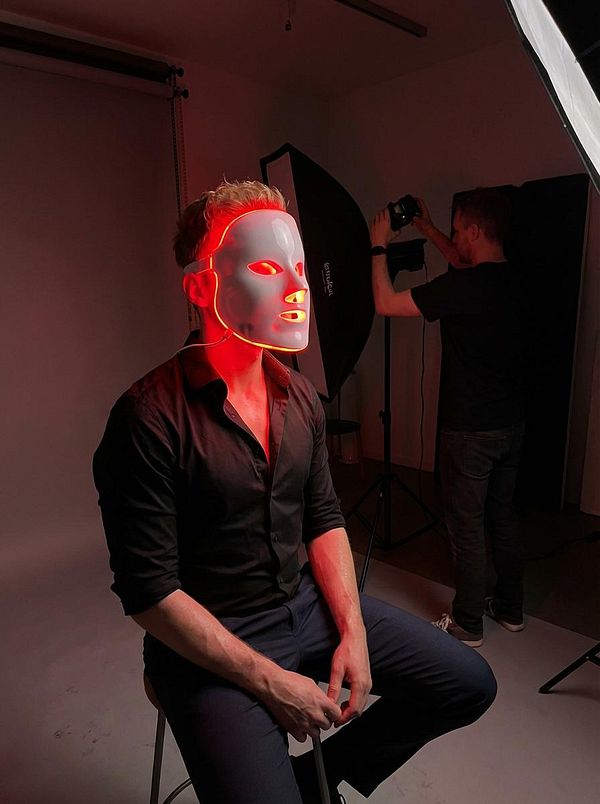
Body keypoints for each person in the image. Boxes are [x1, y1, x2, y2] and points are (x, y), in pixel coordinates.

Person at [94, 179, 497, 803]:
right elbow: (150, 593)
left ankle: (318, 779)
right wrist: (271, 682)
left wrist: (353, 631)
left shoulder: (300, 394)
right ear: (203, 287)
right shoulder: (146, 420)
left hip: (305, 610)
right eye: (263, 265)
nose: (296, 289)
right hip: (209, 644)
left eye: (301, 268)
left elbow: (323, 517)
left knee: (468, 682)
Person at [371, 188, 529, 648]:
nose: (455, 237)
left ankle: (468, 622)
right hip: (511, 425)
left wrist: (379, 243)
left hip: (470, 432)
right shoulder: (515, 278)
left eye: (459, 229)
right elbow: (463, 262)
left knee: (466, 525)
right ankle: (510, 608)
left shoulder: (459, 289)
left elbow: (385, 301)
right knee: (501, 518)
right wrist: (427, 227)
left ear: (475, 231)